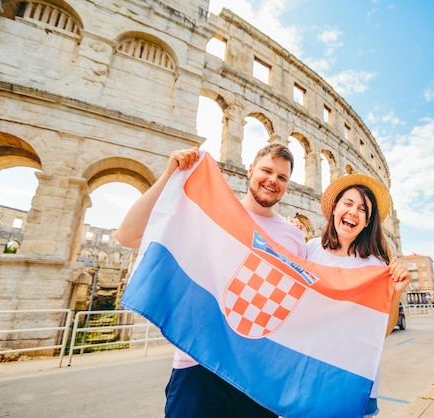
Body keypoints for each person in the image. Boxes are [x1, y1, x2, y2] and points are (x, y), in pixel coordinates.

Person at [115, 143, 306, 418]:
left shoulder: (293, 237)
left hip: (257, 373)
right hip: (198, 364)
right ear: (250, 170)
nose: (273, 180)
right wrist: (170, 175)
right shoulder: (210, 214)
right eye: (267, 170)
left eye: (282, 177)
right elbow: (127, 235)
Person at [306, 173, 410, 417]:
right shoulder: (310, 250)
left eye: (363, 209)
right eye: (348, 203)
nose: (354, 212)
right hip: (311, 372)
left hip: (355, 377)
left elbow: (382, 330)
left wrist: (395, 293)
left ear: (367, 222)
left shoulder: (376, 266)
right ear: (334, 209)